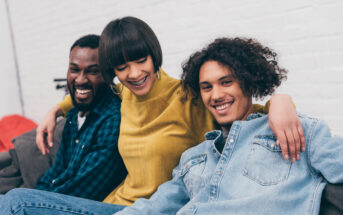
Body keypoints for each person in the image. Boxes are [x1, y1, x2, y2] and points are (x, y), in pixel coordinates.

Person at [0, 17, 303, 214]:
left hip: (158, 209)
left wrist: (281, 101)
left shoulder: (187, 96)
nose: (133, 74)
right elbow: (87, 91)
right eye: (121, 68)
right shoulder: (124, 95)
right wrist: (57, 109)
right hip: (114, 205)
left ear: (154, 54)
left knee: (14, 202)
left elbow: (236, 107)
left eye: (140, 60)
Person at [113, 37, 343, 215]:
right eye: (206, 87)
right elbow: (154, 207)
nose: (216, 95)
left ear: (249, 82)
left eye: (226, 82)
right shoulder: (193, 157)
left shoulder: (297, 132)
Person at [0, 34, 126, 201]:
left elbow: (82, 191)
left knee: (14, 199)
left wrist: (34, 201)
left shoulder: (111, 121)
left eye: (93, 71)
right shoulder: (74, 114)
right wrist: (39, 194)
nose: (80, 79)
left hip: (80, 206)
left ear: (109, 76)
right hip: (53, 197)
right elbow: (55, 172)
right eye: (74, 69)